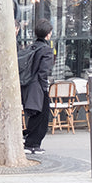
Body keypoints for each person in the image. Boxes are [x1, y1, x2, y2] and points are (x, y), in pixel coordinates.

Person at [21, 19, 55, 155]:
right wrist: (44, 88)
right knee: (42, 116)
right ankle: (33, 144)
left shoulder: (31, 47)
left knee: (33, 115)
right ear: (48, 34)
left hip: (27, 85)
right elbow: (43, 71)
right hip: (38, 87)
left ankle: (29, 142)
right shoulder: (46, 50)